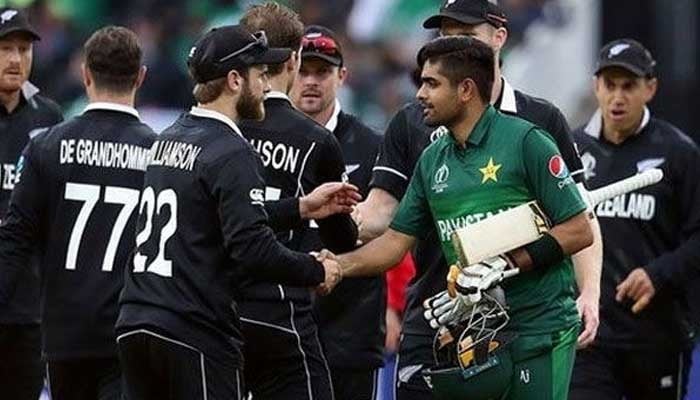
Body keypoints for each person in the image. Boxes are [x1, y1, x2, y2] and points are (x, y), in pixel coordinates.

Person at [353, 1, 603, 398]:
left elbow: (580, 217)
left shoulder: (539, 121)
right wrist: (324, 228)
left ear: (499, 38)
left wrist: (589, 291)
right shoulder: (413, 120)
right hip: (435, 313)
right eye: (445, 35)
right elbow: (382, 214)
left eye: (466, 35)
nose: (452, 45)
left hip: (517, 319)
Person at [115, 25, 345, 399]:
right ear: (235, 80)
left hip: (137, 321)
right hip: (193, 329)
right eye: (259, 74)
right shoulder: (231, 150)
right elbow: (252, 249)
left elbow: (208, 218)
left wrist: (298, 208)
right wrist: (317, 269)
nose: (265, 86)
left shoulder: (168, 137)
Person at [0, 26, 153, 400]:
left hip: (62, 335)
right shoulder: (161, 154)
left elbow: (15, 239)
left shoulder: (46, 145)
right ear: (141, 76)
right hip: (129, 329)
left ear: (84, 74)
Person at [238, 6, 358, 399]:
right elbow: (343, 239)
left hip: (210, 312)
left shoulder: (217, 127)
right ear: (292, 60)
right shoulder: (318, 140)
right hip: (279, 311)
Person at [570, 38, 700, 400]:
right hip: (589, 336)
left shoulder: (679, 153)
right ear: (596, 86)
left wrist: (658, 274)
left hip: (656, 334)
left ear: (651, 88)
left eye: (629, 86)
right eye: (609, 85)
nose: (618, 97)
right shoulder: (571, 152)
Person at [291, 25, 386, 400]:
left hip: (351, 328)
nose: (311, 81)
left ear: (342, 76)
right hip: (283, 324)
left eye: (322, 72)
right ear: (288, 71)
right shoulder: (263, 141)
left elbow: (390, 230)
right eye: (303, 70)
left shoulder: (373, 146)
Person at [0, 7, 62, 399]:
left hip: (27, 308)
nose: (16, 60)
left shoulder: (48, 117)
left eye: (24, 49)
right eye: (6, 48)